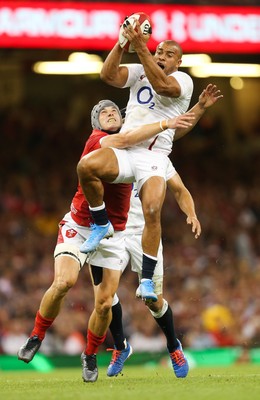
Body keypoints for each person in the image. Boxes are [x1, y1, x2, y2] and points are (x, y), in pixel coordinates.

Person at [17, 100, 194, 376]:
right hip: (86, 226)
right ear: (96, 123)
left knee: (111, 302)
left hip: (125, 234)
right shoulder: (99, 141)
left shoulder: (151, 155)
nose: (110, 113)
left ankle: (94, 355)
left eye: (114, 110)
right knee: (65, 282)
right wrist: (164, 122)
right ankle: (38, 336)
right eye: (103, 112)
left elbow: (172, 144)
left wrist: (195, 111)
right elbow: (130, 137)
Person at [77, 20, 198, 303]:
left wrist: (141, 47)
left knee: (152, 209)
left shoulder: (183, 80)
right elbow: (108, 76)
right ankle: (100, 222)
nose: (161, 55)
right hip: (128, 147)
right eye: (160, 51)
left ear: (179, 61)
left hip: (154, 157)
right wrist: (121, 44)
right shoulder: (141, 68)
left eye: (169, 54)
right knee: (87, 166)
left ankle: (145, 279)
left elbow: (163, 86)